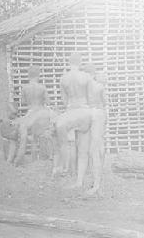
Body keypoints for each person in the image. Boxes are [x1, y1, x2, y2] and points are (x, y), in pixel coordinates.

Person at [54, 53, 94, 188]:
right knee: (83, 148)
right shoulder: (87, 77)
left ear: (69, 62)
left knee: (68, 144)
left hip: (70, 112)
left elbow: (64, 100)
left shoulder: (63, 78)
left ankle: (68, 170)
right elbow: (91, 98)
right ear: (80, 63)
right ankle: (80, 179)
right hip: (84, 111)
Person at [14, 65, 56, 166]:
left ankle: (33, 161)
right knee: (42, 136)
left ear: (28, 75)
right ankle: (43, 159)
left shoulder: (25, 88)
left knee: (33, 138)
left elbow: (23, 101)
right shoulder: (42, 87)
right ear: (38, 75)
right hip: (41, 113)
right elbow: (48, 101)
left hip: (30, 114)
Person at [82, 64, 108, 195]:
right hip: (98, 115)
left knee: (94, 150)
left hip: (92, 116)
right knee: (98, 147)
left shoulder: (85, 88)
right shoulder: (99, 86)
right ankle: (98, 181)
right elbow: (105, 103)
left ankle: (97, 184)